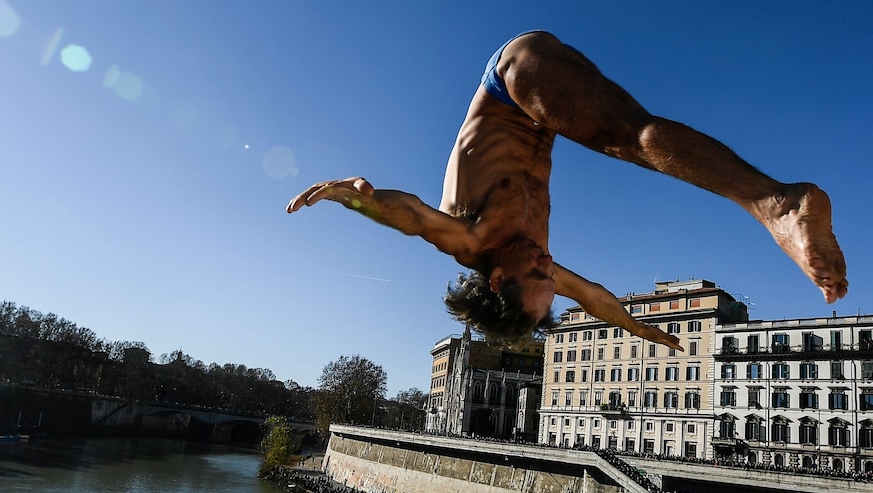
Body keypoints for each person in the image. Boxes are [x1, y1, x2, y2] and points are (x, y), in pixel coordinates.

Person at [288, 31, 847, 350]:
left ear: (498, 278)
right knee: (625, 130)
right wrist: (646, 332)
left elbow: (408, 216)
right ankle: (775, 202)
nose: (547, 264)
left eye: (536, 273)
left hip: (510, 82)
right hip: (547, 104)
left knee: (624, 138)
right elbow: (597, 299)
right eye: (549, 278)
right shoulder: (542, 271)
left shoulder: (468, 240)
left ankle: (777, 204)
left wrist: (351, 196)